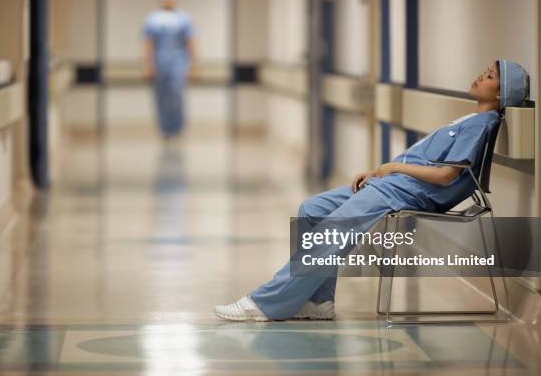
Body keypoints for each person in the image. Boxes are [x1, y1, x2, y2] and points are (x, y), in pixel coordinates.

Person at [215, 60, 530, 322]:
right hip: (393, 185)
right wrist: (380, 173)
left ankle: (265, 303)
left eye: (490, 77)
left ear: (502, 95)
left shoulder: (481, 123)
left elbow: (446, 176)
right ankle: (318, 302)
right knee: (312, 209)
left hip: (409, 193)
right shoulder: (472, 117)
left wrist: (392, 169)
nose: (480, 75)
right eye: (485, 70)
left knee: (331, 233)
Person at [142, 0, 198, 140]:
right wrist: (147, 65)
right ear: (160, 0)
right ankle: (164, 128)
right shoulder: (152, 19)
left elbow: (190, 43)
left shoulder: (184, 18)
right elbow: (148, 44)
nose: (168, 1)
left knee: (177, 94)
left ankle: (177, 127)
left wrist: (194, 66)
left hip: (179, 63)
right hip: (158, 62)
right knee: (160, 96)